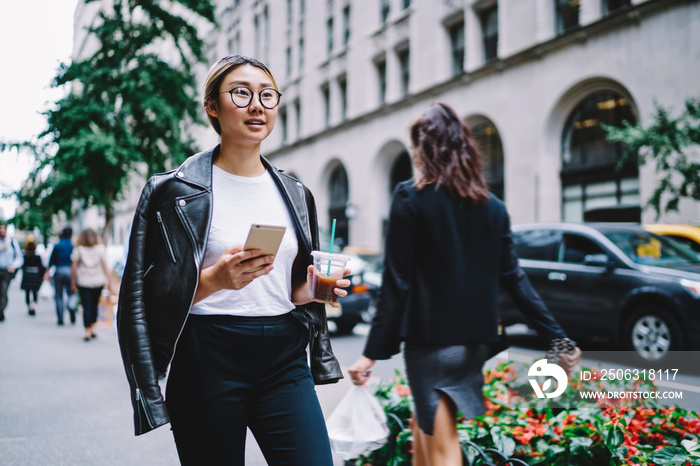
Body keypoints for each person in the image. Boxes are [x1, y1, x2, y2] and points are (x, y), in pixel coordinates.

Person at [117, 55, 348, 465]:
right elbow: (142, 299)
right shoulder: (172, 192)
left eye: (267, 95)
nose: (257, 105)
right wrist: (213, 280)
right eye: (241, 93)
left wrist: (313, 288)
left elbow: (291, 290)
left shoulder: (296, 192)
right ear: (211, 105)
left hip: (284, 357)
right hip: (207, 356)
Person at [348, 102, 582, 466]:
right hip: (475, 343)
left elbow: (397, 282)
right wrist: (558, 339)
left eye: (415, 147)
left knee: (441, 447)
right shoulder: (494, 208)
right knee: (422, 426)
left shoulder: (410, 197)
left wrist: (371, 353)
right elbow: (515, 280)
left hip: (430, 344)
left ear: (425, 148)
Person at [71, 228, 112, 341]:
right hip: (98, 281)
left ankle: (87, 330)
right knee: (94, 305)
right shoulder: (100, 249)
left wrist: (73, 281)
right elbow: (105, 266)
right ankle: (92, 327)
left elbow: (74, 266)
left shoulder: (78, 249)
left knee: (86, 305)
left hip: (83, 282)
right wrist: (110, 281)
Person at [46, 227, 78, 325]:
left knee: (58, 295)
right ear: (71, 234)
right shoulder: (73, 246)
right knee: (72, 292)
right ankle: (72, 306)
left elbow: (51, 261)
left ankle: (60, 318)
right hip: (70, 271)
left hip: (59, 271)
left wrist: (47, 272)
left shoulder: (57, 246)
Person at [0, 221, 23, 322]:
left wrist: (14, 266)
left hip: (6, 271)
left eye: (3, 229)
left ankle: (1, 310)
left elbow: (19, 258)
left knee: (3, 291)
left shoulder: (12, 243)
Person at [20, 239, 46, 316]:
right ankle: (34, 305)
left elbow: (22, 266)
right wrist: (41, 276)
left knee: (27, 292)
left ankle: (29, 306)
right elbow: (41, 267)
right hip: (35, 276)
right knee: (35, 292)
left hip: (27, 275)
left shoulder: (25, 257)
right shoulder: (37, 257)